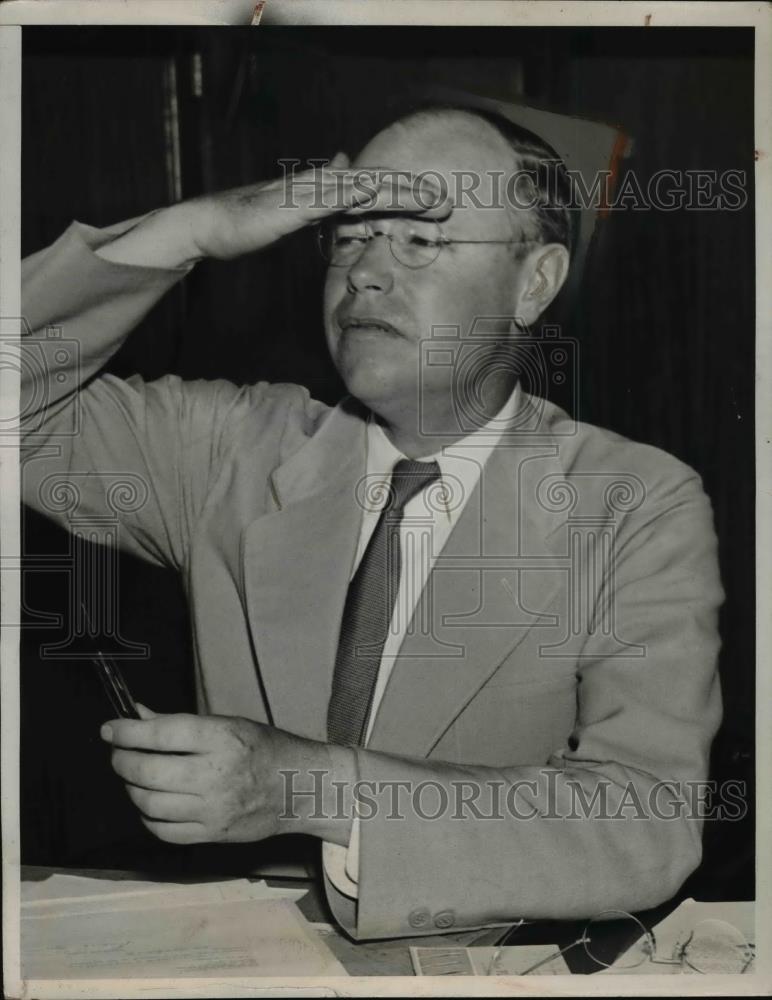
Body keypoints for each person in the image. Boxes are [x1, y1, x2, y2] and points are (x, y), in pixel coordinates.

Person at [20, 106, 723, 940]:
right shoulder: (228, 453)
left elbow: (646, 820)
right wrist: (192, 231)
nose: (364, 273)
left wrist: (307, 788)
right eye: (349, 236)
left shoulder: (634, 502)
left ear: (533, 283)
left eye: (421, 241)